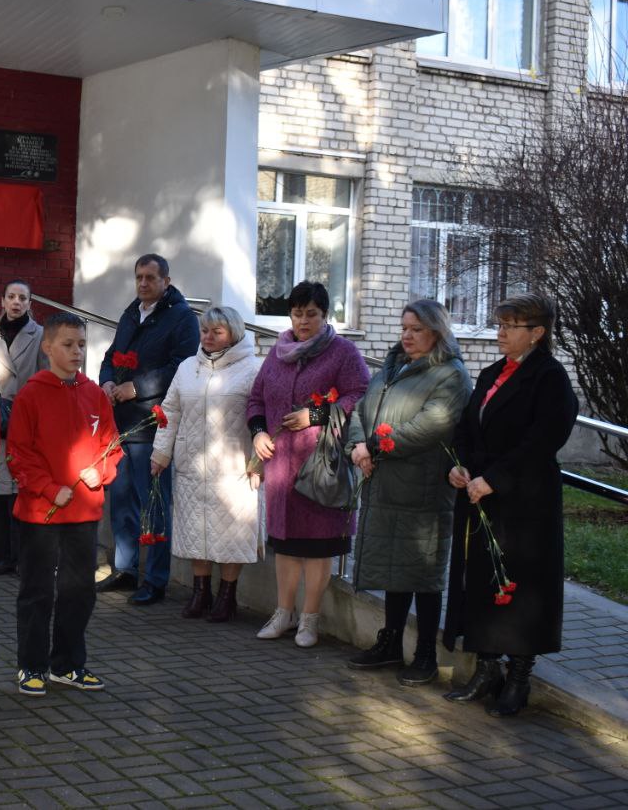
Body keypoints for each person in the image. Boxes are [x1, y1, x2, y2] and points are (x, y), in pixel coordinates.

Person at [442, 293, 577, 717]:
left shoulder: (549, 378)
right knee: (482, 580)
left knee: (521, 586)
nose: (500, 332)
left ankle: (519, 675)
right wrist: (461, 467)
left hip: (524, 503)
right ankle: (486, 668)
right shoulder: (491, 373)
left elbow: (541, 441)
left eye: (510, 326)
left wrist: (494, 480)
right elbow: (466, 427)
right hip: (480, 493)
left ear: (537, 333)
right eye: (500, 323)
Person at [345, 300, 471, 684]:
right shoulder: (391, 368)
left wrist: (375, 448)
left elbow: (430, 425)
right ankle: (390, 643)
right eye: (404, 328)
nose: (407, 335)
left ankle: (427, 655)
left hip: (423, 490)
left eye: (416, 329)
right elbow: (359, 411)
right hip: (384, 485)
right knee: (394, 571)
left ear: (436, 331)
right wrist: (356, 447)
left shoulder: (450, 375)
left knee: (423, 573)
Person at [246, 281, 369, 647]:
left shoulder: (343, 352)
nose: (303, 321)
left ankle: (309, 621)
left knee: (317, 547)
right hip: (281, 463)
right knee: (285, 545)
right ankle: (283, 614)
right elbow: (256, 399)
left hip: (321, 465)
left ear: (325, 315)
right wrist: (257, 434)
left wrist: (314, 414)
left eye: (311, 314)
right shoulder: (277, 352)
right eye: (297, 313)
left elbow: (361, 394)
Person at [7, 312, 120, 696]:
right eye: (68, 345)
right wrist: (47, 487)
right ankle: (32, 665)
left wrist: (101, 472)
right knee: (37, 591)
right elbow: (19, 453)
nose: (77, 352)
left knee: (79, 591)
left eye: (82, 345)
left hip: (83, 511)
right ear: (48, 347)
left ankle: (68, 664)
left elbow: (111, 445)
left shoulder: (93, 394)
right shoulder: (31, 394)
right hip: (42, 511)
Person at [97, 253, 200, 606]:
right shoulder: (130, 313)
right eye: (139, 277)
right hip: (120, 424)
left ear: (166, 282)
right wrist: (108, 382)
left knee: (152, 505)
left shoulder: (182, 319)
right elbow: (111, 356)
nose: (143, 283)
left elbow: (181, 368)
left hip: (152, 424)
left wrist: (136, 388)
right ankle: (125, 569)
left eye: (150, 278)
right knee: (121, 501)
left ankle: (155, 580)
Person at [150, 306, 262, 622]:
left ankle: (228, 596)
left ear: (234, 333)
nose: (208, 337)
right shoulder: (188, 367)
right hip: (192, 464)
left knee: (231, 533)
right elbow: (169, 410)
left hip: (234, 466)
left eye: (217, 331)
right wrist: (161, 453)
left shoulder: (253, 369)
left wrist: (259, 461)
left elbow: (264, 417)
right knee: (195, 530)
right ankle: (201, 592)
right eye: (204, 331)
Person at [0, 279, 46, 576]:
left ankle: (20, 557)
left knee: (22, 490)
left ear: (30, 303)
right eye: (11, 297)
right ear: (2, 301)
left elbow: (45, 378)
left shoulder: (41, 335)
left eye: (23, 298)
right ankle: (0, 555)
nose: (16, 302)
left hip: (28, 418)